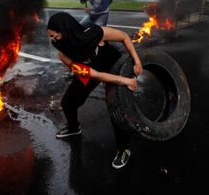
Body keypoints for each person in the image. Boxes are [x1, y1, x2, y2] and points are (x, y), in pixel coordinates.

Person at [47, 12, 142, 169]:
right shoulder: (62, 55)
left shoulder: (94, 33)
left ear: (65, 30)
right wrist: (124, 81)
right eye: (51, 37)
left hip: (111, 62)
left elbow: (124, 36)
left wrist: (137, 61)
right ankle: (73, 128)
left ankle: (123, 149)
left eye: (55, 36)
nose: (53, 40)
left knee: (116, 108)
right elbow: (94, 75)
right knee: (68, 102)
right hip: (92, 69)